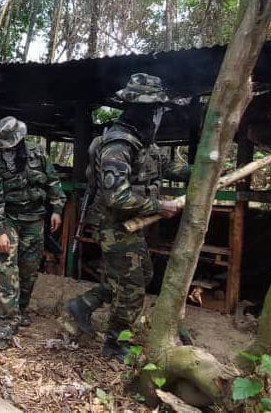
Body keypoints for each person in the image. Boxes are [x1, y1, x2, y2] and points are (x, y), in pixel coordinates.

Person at [61, 73, 188, 360]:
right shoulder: (118, 145)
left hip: (132, 227)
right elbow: (116, 197)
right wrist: (159, 206)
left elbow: (168, 168)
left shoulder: (145, 143)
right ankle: (116, 344)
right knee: (131, 288)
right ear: (145, 110)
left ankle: (83, 304)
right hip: (114, 226)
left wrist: (203, 170)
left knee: (143, 274)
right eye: (157, 110)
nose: (159, 117)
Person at [0, 116, 66, 350]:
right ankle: (8, 321)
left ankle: (21, 309)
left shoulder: (38, 154)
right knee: (9, 268)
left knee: (30, 269)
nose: (7, 149)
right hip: (9, 219)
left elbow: (53, 183)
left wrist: (57, 209)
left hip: (35, 220)